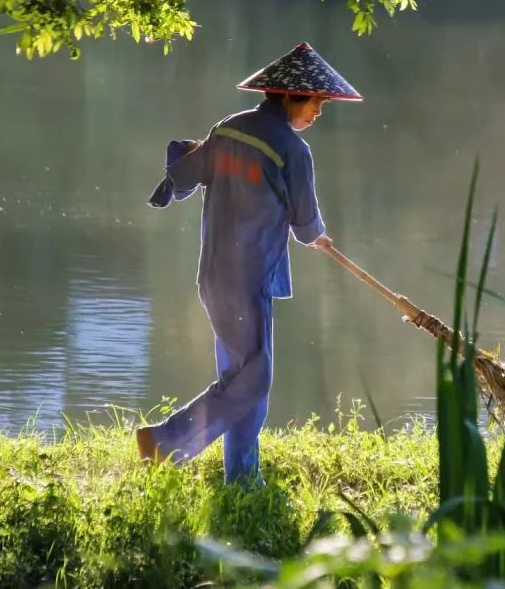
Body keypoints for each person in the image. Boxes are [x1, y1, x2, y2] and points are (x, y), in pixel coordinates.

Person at [137, 42, 362, 485]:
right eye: (317, 102)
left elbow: (182, 174)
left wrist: (199, 150)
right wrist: (319, 237)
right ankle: (164, 441)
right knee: (253, 381)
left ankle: (241, 477)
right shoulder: (293, 150)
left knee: (241, 378)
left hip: (214, 275)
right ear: (291, 96)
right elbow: (304, 224)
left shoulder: (230, 129)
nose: (318, 112)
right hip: (249, 278)